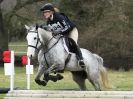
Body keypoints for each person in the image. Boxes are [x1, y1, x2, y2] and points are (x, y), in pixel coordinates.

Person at [40, 3, 85, 68]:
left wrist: (59, 32)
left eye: (46, 12)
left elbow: (68, 27)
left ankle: (81, 59)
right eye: (44, 12)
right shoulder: (49, 21)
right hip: (62, 33)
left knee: (72, 42)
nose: (44, 14)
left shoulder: (59, 17)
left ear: (51, 12)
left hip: (71, 31)